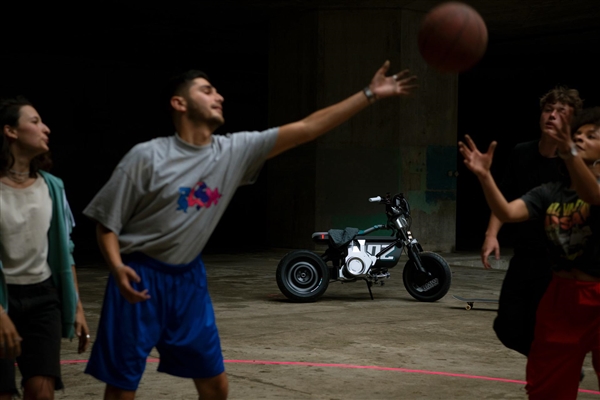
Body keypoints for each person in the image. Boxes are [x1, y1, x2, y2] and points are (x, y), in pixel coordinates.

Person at [82, 61, 417, 399]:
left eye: (217, 90)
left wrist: (370, 94)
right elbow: (106, 223)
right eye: (206, 90)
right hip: (139, 275)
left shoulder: (233, 151)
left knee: (215, 386)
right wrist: (116, 267)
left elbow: (307, 128)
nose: (219, 96)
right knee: (122, 388)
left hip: (188, 281)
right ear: (179, 103)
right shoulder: (146, 157)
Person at [459, 106, 600, 399]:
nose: (582, 139)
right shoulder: (550, 191)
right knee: (546, 390)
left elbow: (593, 196)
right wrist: (485, 176)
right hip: (562, 299)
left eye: (592, 136)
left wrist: (568, 148)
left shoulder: (594, 189)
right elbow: (507, 211)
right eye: (577, 135)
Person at [480, 86, 582, 357]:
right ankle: (551, 360)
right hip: (525, 255)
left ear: (571, 122)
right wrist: (492, 235)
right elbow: (505, 199)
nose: (552, 115)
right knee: (507, 328)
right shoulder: (521, 153)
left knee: (545, 326)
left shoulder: (575, 163)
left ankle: (554, 365)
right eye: (549, 109)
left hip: (559, 263)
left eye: (561, 112)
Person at [0, 96, 90, 399]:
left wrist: (75, 305)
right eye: (35, 121)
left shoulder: (52, 186)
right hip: (2, 297)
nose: (46, 129)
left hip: (42, 299)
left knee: (42, 391)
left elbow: (66, 248)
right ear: (11, 131)